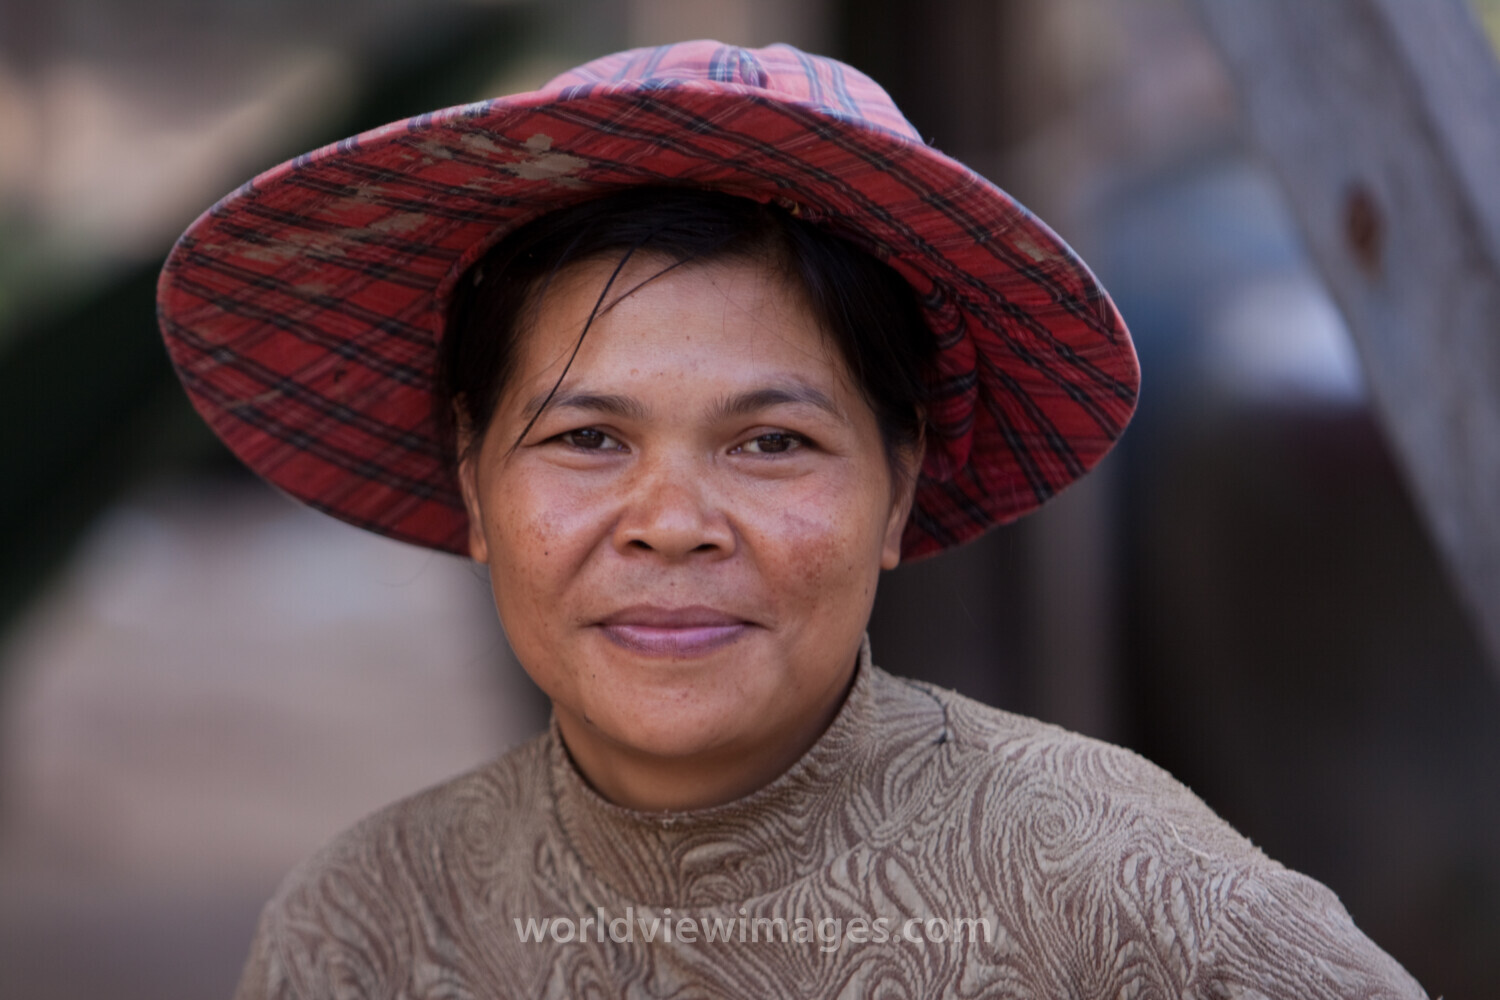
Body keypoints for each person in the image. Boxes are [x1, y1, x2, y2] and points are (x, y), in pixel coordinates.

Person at [157, 40, 1427, 999]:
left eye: (772, 442)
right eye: (588, 438)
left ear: (898, 485)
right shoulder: (365, 926)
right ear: (475, 479)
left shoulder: (1129, 898)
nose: (670, 523)